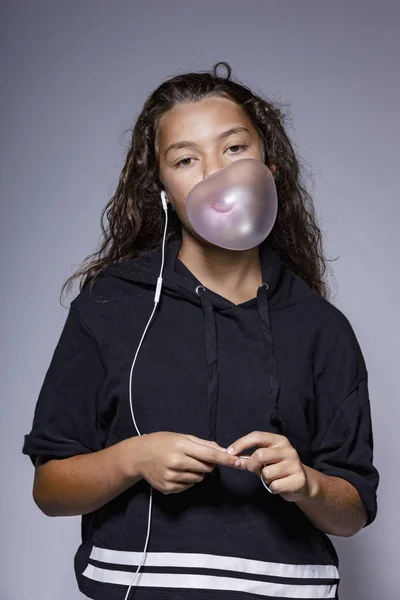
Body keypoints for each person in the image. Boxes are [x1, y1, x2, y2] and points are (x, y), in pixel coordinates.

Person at [22, 61, 379, 600]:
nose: (216, 173)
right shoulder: (111, 306)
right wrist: (133, 459)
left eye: (234, 148)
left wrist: (308, 483)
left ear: (270, 165)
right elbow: (49, 491)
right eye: (186, 159)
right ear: (163, 188)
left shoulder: (322, 329)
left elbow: (351, 515)